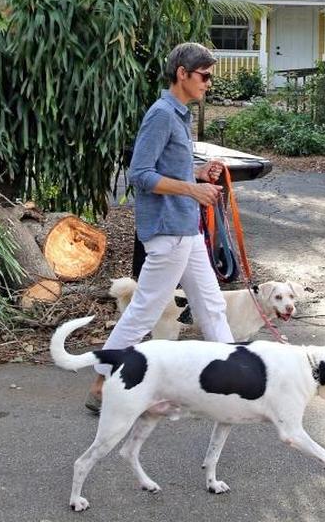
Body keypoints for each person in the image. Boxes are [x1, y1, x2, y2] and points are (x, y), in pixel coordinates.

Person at [85, 42, 234, 413]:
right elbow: (140, 174)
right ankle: (101, 385)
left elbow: (168, 170)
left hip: (185, 228)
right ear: (182, 73)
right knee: (145, 310)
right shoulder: (162, 114)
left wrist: (199, 173)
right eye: (204, 76)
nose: (208, 84)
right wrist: (193, 188)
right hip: (170, 230)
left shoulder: (178, 114)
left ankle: (236, 377)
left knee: (212, 304)